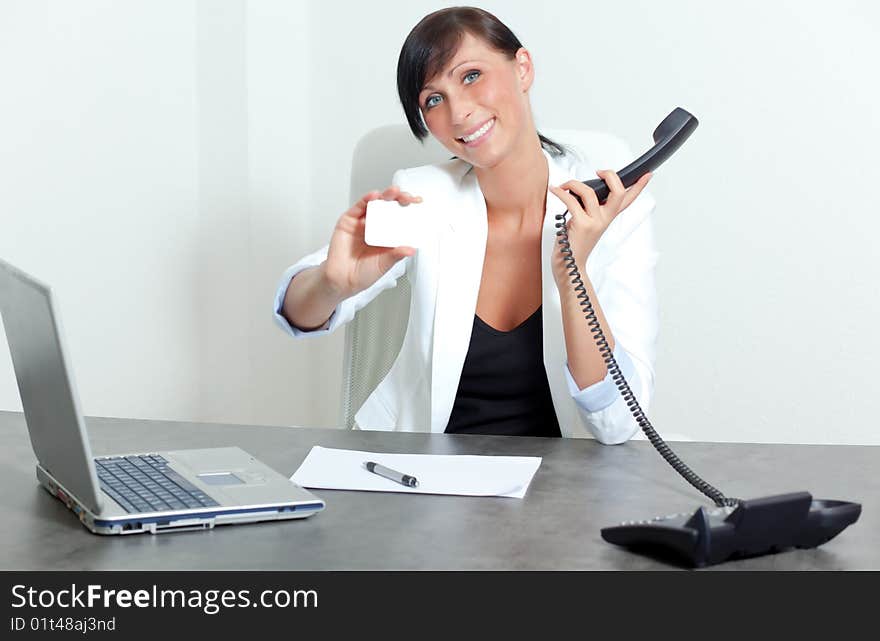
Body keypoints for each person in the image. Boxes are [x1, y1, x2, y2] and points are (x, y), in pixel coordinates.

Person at [273, 6, 658, 443]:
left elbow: (618, 424)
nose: (458, 113)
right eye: (433, 100)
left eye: (471, 75)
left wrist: (573, 271)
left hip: (564, 490)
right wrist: (332, 284)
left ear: (523, 69)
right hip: (428, 477)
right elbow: (295, 312)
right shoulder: (424, 196)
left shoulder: (612, 208)